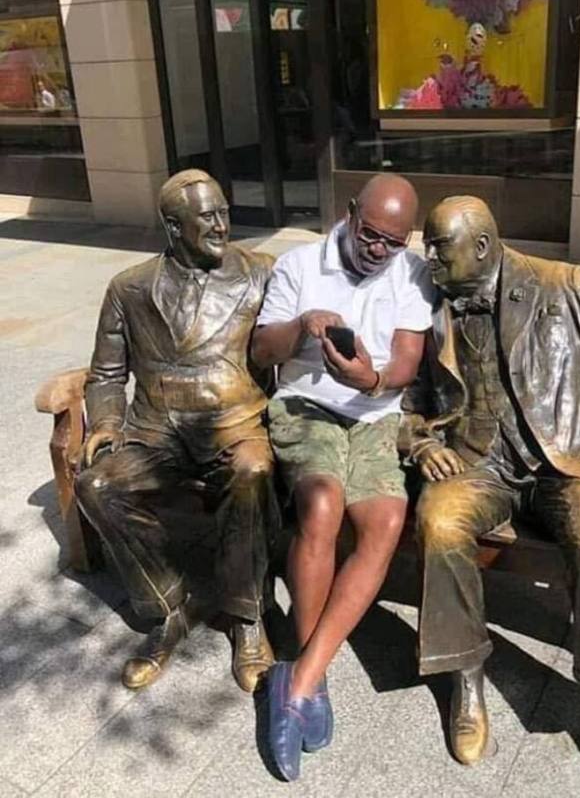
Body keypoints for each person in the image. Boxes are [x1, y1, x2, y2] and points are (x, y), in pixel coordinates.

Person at [405, 195, 580, 798]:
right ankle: (466, 678)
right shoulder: (432, 304)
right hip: (481, 461)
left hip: (572, 463)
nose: (427, 256)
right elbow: (413, 405)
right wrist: (417, 442)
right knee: (437, 519)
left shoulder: (565, 284)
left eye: (439, 245)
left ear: (481, 247)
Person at [251, 173, 434, 780]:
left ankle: (300, 676)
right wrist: (302, 325)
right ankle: (316, 678)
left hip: (375, 417)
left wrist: (373, 382)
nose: (379, 250)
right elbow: (261, 353)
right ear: (349, 213)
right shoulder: (300, 264)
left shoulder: (411, 275)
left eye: (394, 242)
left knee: (385, 519)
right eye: (371, 235)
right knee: (323, 504)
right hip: (305, 407)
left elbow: (405, 361)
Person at [75, 169, 279, 693]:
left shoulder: (261, 274)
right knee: (97, 486)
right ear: (172, 226)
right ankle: (169, 606)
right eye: (207, 217)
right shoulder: (130, 288)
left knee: (254, 469)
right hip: (155, 429)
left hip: (235, 424)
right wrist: (103, 422)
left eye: (224, 212)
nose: (221, 225)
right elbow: (106, 374)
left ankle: (247, 615)